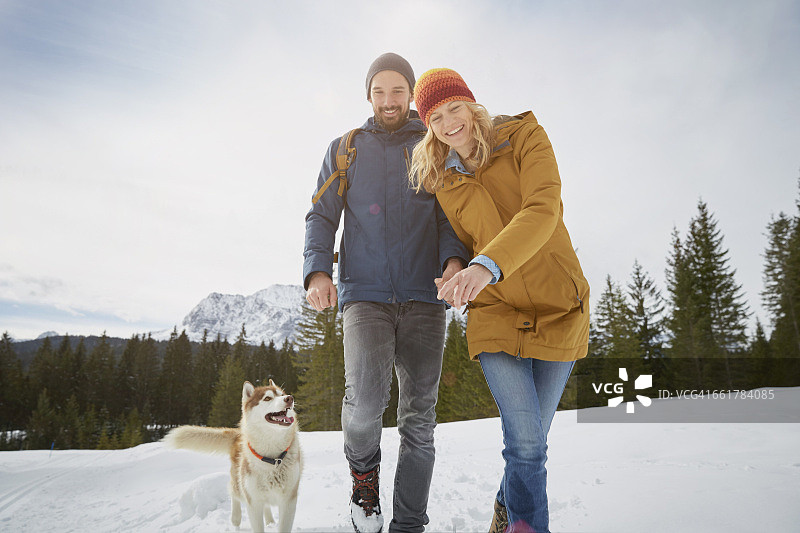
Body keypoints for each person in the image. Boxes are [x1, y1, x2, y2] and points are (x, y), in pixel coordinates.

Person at [409, 68, 590, 533]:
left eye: (455, 109)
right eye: (435, 116)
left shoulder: (525, 136)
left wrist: (485, 265)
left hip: (558, 306)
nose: (450, 123)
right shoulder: (441, 179)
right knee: (525, 444)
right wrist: (454, 266)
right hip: (495, 311)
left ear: (472, 105)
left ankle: (508, 507)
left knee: (533, 441)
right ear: (428, 125)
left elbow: (542, 209)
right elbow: (453, 235)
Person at [303, 54, 470, 533]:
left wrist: (454, 261)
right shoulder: (345, 149)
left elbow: (449, 217)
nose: (389, 100)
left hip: (425, 297)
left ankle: (409, 524)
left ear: (412, 94)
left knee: (419, 421)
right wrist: (318, 272)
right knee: (365, 407)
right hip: (366, 297)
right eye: (380, 91)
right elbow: (321, 215)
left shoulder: (433, 144)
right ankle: (364, 482)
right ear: (368, 95)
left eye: (398, 91)